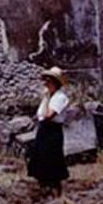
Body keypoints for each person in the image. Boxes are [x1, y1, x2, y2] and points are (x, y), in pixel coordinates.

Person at [27, 66, 69, 194]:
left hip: (52, 130)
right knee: (41, 160)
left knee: (51, 160)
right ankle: (44, 189)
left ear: (54, 82)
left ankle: (55, 190)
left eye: (48, 80)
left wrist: (46, 98)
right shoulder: (48, 97)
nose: (45, 83)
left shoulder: (60, 97)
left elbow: (48, 115)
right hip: (44, 130)